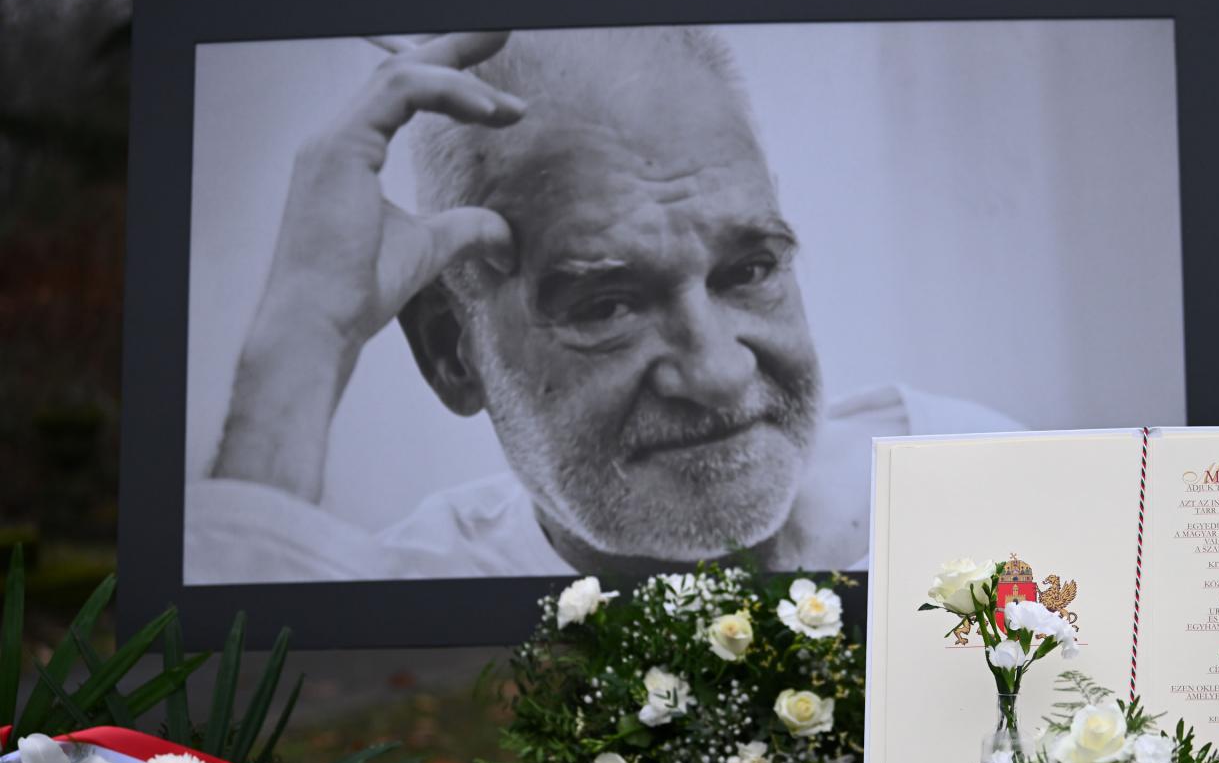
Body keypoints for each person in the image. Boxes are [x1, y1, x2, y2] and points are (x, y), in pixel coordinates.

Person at [187, 29, 1018, 583]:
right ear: (452, 352)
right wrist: (304, 336)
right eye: (608, 304)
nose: (718, 372)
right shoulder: (395, 604)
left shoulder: (981, 491)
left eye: (749, 269)